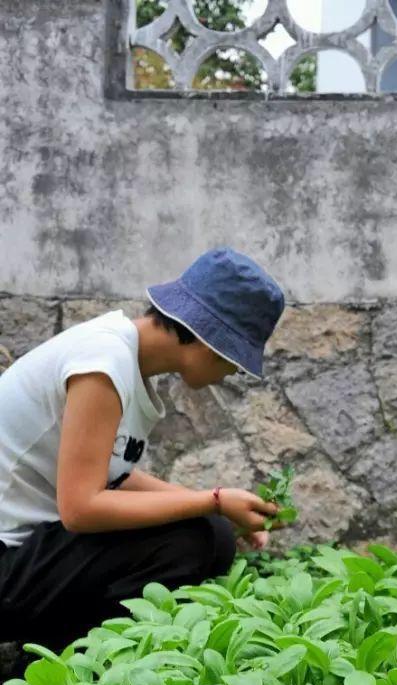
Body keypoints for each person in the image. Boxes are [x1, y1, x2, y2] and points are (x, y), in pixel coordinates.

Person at [0, 246, 286, 650]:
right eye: (235, 359)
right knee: (197, 541)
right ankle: (62, 664)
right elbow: (81, 508)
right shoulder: (102, 362)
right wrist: (214, 501)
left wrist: (220, 507)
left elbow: (114, 475)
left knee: (213, 532)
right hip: (7, 561)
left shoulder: (120, 356)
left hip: (26, 557)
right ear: (209, 340)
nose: (233, 372)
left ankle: (56, 658)